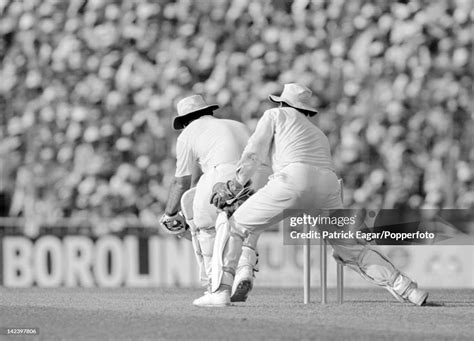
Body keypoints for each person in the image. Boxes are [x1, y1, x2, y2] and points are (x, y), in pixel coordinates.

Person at [193, 83, 429, 307]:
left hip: (293, 179)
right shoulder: (318, 133)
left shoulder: (275, 115)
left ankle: (219, 291)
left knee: (233, 225)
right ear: (306, 110)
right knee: (349, 248)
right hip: (328, 185)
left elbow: (253, 155)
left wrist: (234, 185)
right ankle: (407, 288)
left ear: (283, 103)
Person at [159, 95, 270, 302]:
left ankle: (215, 287)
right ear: (208, 111)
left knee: (204, 224)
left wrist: (169, 214)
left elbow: (181, 183)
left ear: (185, 121)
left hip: (224, 172)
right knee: (245, 225)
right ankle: (246, 267)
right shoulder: (236, 123)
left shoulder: (188, 133)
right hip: (262, 174)